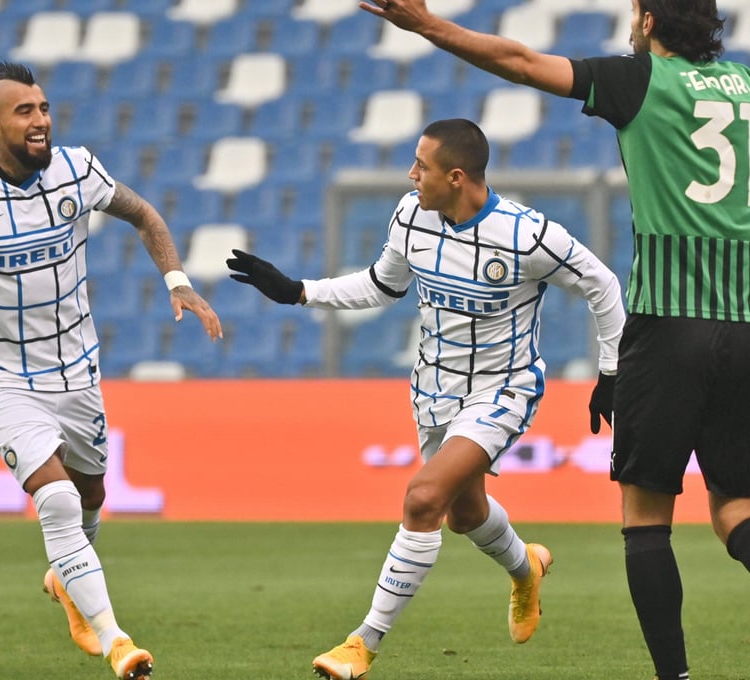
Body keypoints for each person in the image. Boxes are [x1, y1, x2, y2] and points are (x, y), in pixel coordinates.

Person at [360, 1, 750, 679]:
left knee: (646, 521)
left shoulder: (639, 80)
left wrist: (429, 26)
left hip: (667, 323)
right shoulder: (748, 88)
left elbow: (521, 62)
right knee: (739, 510)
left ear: (649, 21)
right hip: (746, 326)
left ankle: (675, 676)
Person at [228, 118, 625, 679]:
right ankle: (526, 569)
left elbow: (602, 283)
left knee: (422, 499)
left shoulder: (526, 235)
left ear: (456, 177)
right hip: (433, 390)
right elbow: (381, 285)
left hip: (502, 389)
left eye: (422, 166)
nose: (411, 175)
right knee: (465, 514)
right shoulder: (411, 215)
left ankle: (361, 644)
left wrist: (611, 372)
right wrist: (298, 291)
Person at [0, 61, 222, 680]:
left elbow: (145, 215)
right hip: (3, 377)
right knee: (59, 499)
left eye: (43, 108)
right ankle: (117, 642)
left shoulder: (78, 169)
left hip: (77, 371)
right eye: (25, 112)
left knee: (92, 495)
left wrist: (177, 280)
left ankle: (65, 579)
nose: (40, 120)